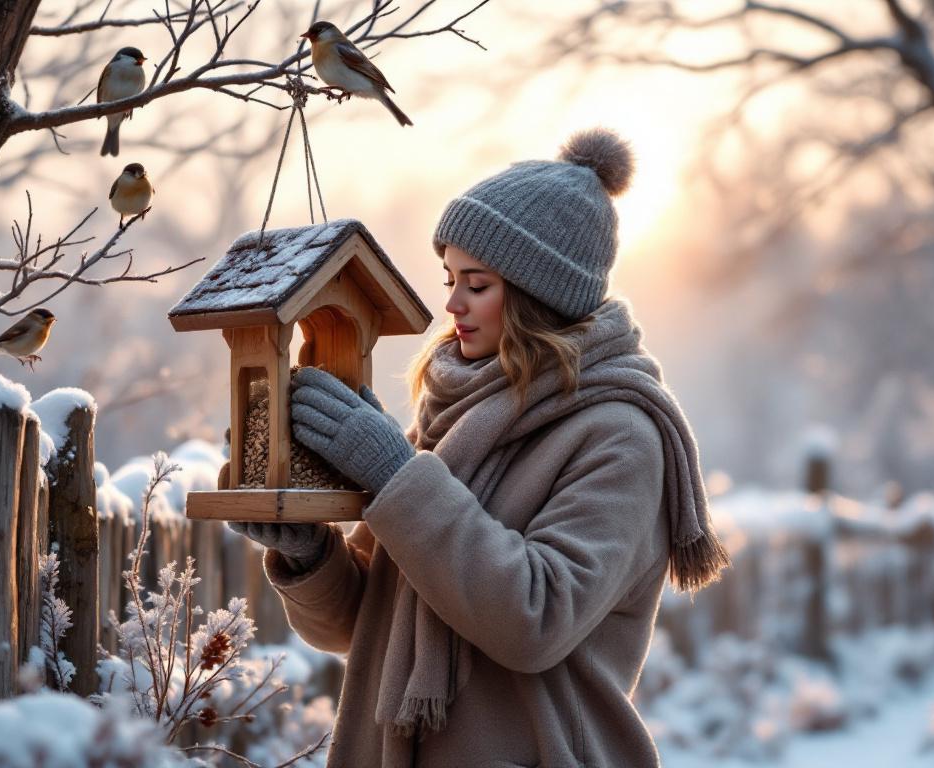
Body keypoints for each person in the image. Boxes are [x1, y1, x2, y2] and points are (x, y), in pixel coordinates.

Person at [228, 126, 729, 767]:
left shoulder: (620, 437)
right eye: (450, 278)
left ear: (536, 295)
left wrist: (395, 475)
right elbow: (365, 623)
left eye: (476, 283)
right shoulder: (456, 415)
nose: (452, 304)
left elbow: (535, 620)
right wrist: (311, 554)